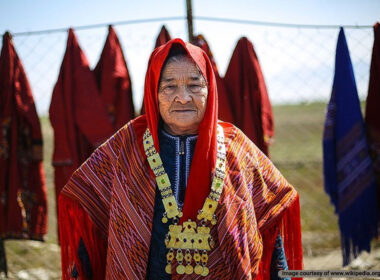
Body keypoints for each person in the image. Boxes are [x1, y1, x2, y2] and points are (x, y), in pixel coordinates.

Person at [58, 38, 302, 280]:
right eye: (170, 86)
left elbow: (269, 219)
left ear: (210, 89)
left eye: (195, 85)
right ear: (154, 91)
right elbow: (93, 212)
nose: (183, 97)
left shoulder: (236, 146)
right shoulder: (126, 145)